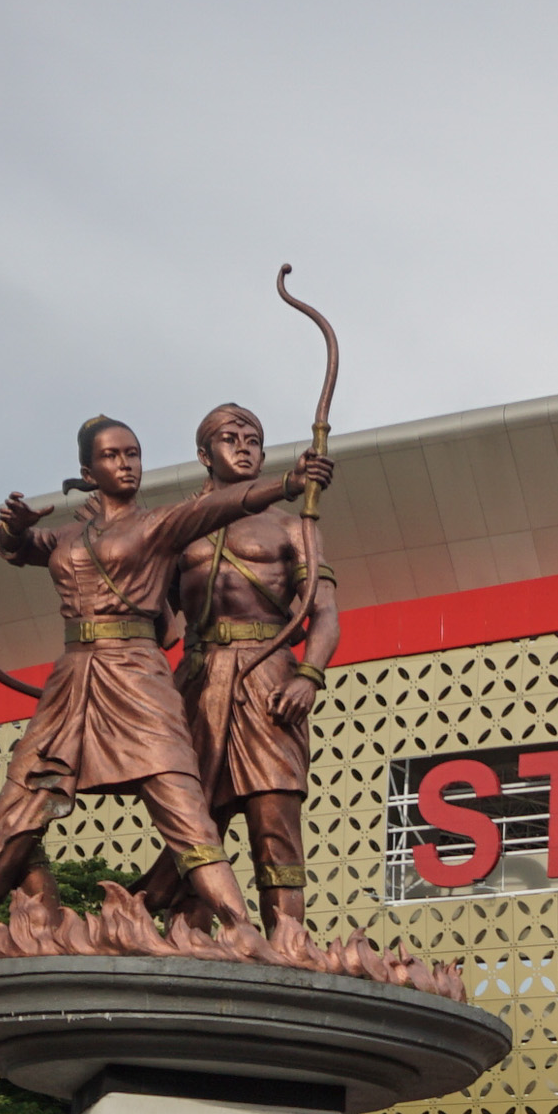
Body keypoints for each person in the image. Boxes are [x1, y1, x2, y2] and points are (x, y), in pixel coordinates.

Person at [0, 416, 333, 956]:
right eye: (112, 456)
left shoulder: (179, 524)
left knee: (230, 817)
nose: (126, 464)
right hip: (132, 679)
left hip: (218, 675)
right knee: (24, 811)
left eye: (133, 454)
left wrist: (290, 485)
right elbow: (24, 550)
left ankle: (264, 937)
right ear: (88, 471)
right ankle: (39, 923)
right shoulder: (94, 534)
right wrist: (13, 528)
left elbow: (311, 597)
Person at [174, 401, 340, 960]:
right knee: (196, 824)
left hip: (267, 674)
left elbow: (325, 613)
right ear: (204, 455)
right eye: (230, 438)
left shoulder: (293, 525)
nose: (244, 448)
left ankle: (287, 944)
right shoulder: (179, 528)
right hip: (198, 681)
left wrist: (309, 676)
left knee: (274, 820)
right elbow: (149, 614)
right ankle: (190, 942)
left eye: (253, 440)